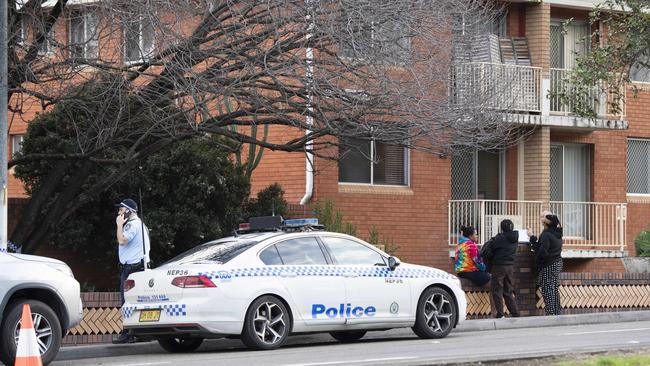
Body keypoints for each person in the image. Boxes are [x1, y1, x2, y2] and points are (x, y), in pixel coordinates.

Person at [114, 198, 150, 344]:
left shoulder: (132, 225)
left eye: (121, 210)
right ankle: (137, 332)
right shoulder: (141, 225)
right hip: (138, 267)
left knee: (126, 300)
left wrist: (119, 225)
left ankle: (128, 333)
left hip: (132, 268)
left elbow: (122, 240)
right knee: (136, 300)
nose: (119, 213)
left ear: (129, 211)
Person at [481, 219, 520, 318]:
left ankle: (500, 314)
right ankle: (515, 312)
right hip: (510, 266)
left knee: (497, 290)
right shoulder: (515, 238)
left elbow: (490, 249)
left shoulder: (499, 239)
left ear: (502, 228)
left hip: (499, 266)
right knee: (508, 290)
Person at [529, 212, 563, 315]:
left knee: (547, 289)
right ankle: (556, 312)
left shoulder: (546, 234)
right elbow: (541, 246)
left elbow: (542, 251)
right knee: (553, 288)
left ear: (545, 223)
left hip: (548, 264)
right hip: (558, 262)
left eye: (542, 217)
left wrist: (538, 262)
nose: (541, 218)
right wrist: (532, 237)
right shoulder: (557, 233)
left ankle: (550, 313)